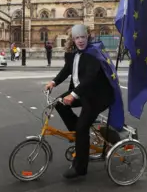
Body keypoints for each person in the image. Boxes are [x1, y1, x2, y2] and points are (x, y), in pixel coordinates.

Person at [45, 24, 114, 179]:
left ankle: (80, 168)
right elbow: (66, 70)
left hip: (97, 95)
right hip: (81, 91)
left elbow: (90, 78)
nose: (81, 41)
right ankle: (79, 135)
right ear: (73, 39)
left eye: (83, 37)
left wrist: (73, 95)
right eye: (77, 38)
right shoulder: (71, 54)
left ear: (87, 37)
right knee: (59, 103)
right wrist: (53, 82)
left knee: (83, 127)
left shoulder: (94, 54)